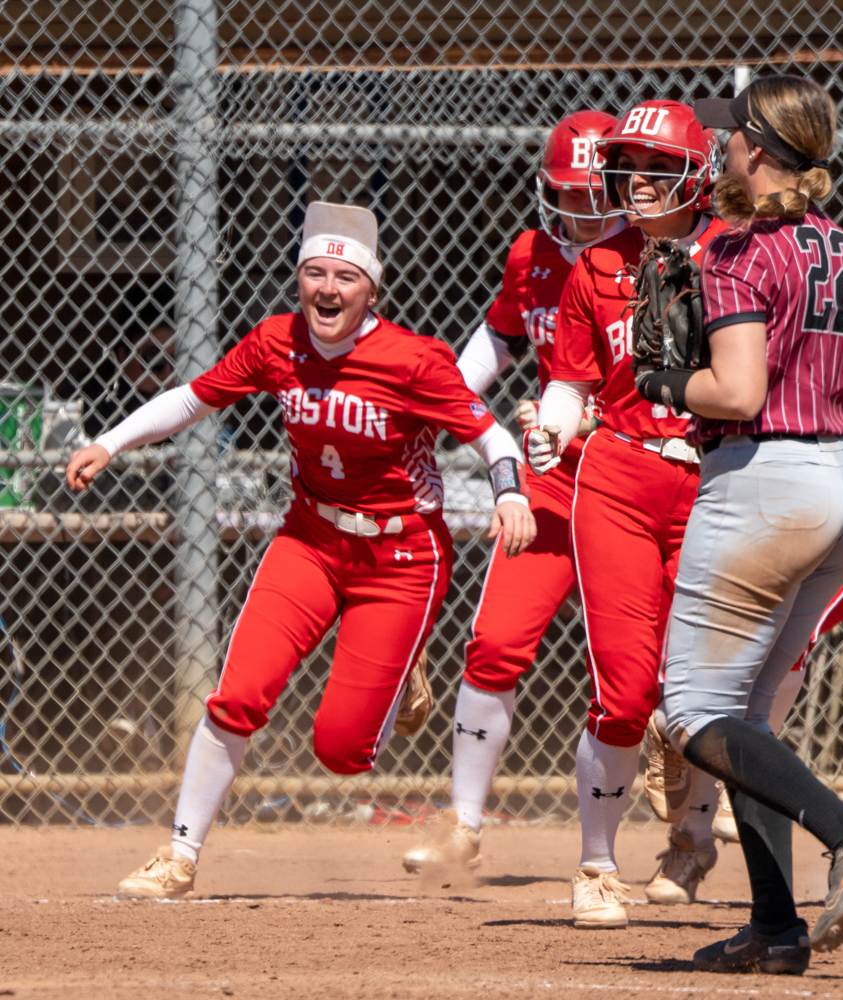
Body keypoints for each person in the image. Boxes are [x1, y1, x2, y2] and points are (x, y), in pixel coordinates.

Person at [65, 202, 537, 900]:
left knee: (341, 752)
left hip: (400, 559)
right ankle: (179, 855)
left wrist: (509, 492)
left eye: (344, 277)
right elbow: (193, 400)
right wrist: (110, 442)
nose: (326, 288)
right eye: (313, 272)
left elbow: (492, 437)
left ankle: (405, 663)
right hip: (309, 540)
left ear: (370, 290)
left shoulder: (411, 360)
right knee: (237, 696)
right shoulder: (275, 342)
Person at [638, 76, 843, 974]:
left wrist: (662, 385)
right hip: (837, 481)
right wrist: (829, 456)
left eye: (731, 136)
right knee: (746, 718)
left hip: (762, 480)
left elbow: (737, 391)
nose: (721, 147)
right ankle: (776, 927)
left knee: (690, 710)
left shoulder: (738, 252)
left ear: (758, 148)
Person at [647, 303, 843, 901]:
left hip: (789, 508)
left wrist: (656, 380)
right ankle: (762, 912)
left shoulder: (757, 270)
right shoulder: (815, 264)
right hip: (804, 498)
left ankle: (833, 834)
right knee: (741, 708)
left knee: (710, 708)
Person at [400, 109, 622, 872]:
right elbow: (500, 335)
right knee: (494, 642)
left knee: (639, 674)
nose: (582, 213)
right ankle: (463, 822)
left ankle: (688, 832)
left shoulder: (656, 257)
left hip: (632, 483)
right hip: (551, 480)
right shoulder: (531, 252)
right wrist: (447, 401)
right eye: (569, 195)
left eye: (598, 196)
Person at [525, 100, 727, 928]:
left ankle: (690, 814)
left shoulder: (737, 256)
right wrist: (550, 423)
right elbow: (572, 381)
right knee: (621, 686)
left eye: (654, 168)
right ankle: (596, 865)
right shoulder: (593, 267)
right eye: (626, 168)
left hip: (718, 481)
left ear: (697, 174)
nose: (635, 183)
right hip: (618, 475)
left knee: (702, 688)